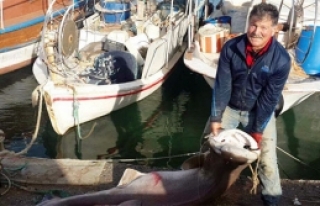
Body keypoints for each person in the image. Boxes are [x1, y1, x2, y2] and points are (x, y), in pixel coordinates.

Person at [210, 3, 291, 206]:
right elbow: (222, 86)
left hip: (258, 111)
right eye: (253, 25)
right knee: (211, 146)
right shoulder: (231, 48)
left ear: (273, 30)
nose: (256, 32)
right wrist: (216, 117)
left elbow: (269, 99)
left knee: (267, 160)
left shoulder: (281, 60)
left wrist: (257, 130)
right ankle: (206, 186)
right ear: (248, 24)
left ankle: (271, 199)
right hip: (230, 106)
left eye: (263, 27)